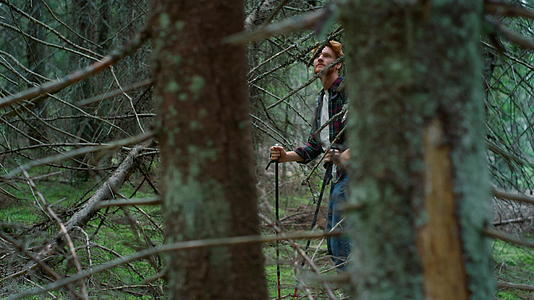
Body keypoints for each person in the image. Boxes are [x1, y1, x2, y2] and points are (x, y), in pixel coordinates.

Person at [270, 40, 351, 270]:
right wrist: (284, 156)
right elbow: (315, 146)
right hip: (338, 177)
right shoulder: (322, 98)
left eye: (326, 55)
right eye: (317, 55)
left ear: (338, 65)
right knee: (334, 245)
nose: (319, 59)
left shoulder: (348, 92)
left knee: (341, 242)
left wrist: (346, 155)